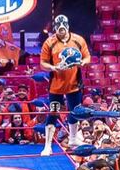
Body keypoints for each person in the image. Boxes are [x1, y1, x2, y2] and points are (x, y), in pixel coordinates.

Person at [39, 14, 92, 153]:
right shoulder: (49, 42)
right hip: (56, 86)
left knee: (75, 111)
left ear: (67, 27)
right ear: (55, 29)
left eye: (63, 29)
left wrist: (82, 63)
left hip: (74, 84)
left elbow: (87, 57)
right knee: (53, 112)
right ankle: (48, 146)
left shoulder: (78, 40)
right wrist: (53, 67)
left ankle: (73, 138)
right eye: (59, 29)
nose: (61, 31)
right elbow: (43, 63)